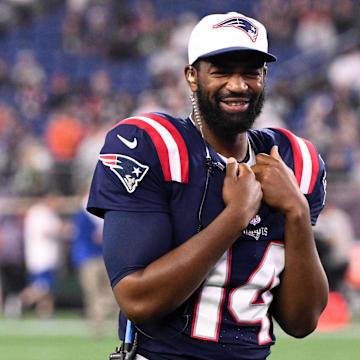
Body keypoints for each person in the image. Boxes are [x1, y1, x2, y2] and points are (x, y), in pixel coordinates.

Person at [87, 12, 329, 360]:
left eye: (250, 72)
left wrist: (297, 212)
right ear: (191, 76)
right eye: (221, 70)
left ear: (264, 77)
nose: (238, 84)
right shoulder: (152, 145)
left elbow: (302, 321)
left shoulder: (294, 160)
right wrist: (236, 216)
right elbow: (138, 299)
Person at [70, 189, 117, 336]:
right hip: (90, 257)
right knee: (95, 292)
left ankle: (104, 321)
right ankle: (98, 325)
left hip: (99, 256)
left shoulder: (93, 211)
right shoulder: (84, 213)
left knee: (105, 293)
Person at [20, 192, 63, 318]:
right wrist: (62, 230)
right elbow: (45, 231)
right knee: (42, 287)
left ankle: (44, 314)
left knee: (48, 291)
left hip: (50, 258)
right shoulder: (38, 213)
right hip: (41, 258)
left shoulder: (50, 214)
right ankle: (18, 301)